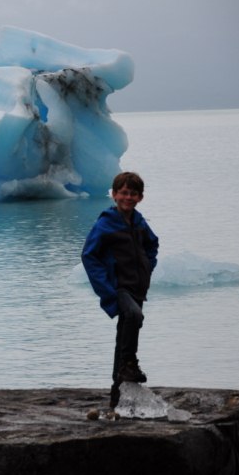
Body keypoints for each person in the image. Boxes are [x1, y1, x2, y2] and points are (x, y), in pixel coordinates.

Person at [81, 171, 159, 409]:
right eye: (124, 193)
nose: (128, 197)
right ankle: (128, 365)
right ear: (114, 195)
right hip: (119, 287)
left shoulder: (138, 221)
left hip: (137, 286)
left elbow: (152, 244)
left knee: (126, 334)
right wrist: (107, 290)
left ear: (140, 197)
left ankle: (116, 398)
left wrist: (147, 267)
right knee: (134, 316)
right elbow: (89, 256)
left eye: (133, 193)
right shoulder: (106, 223)